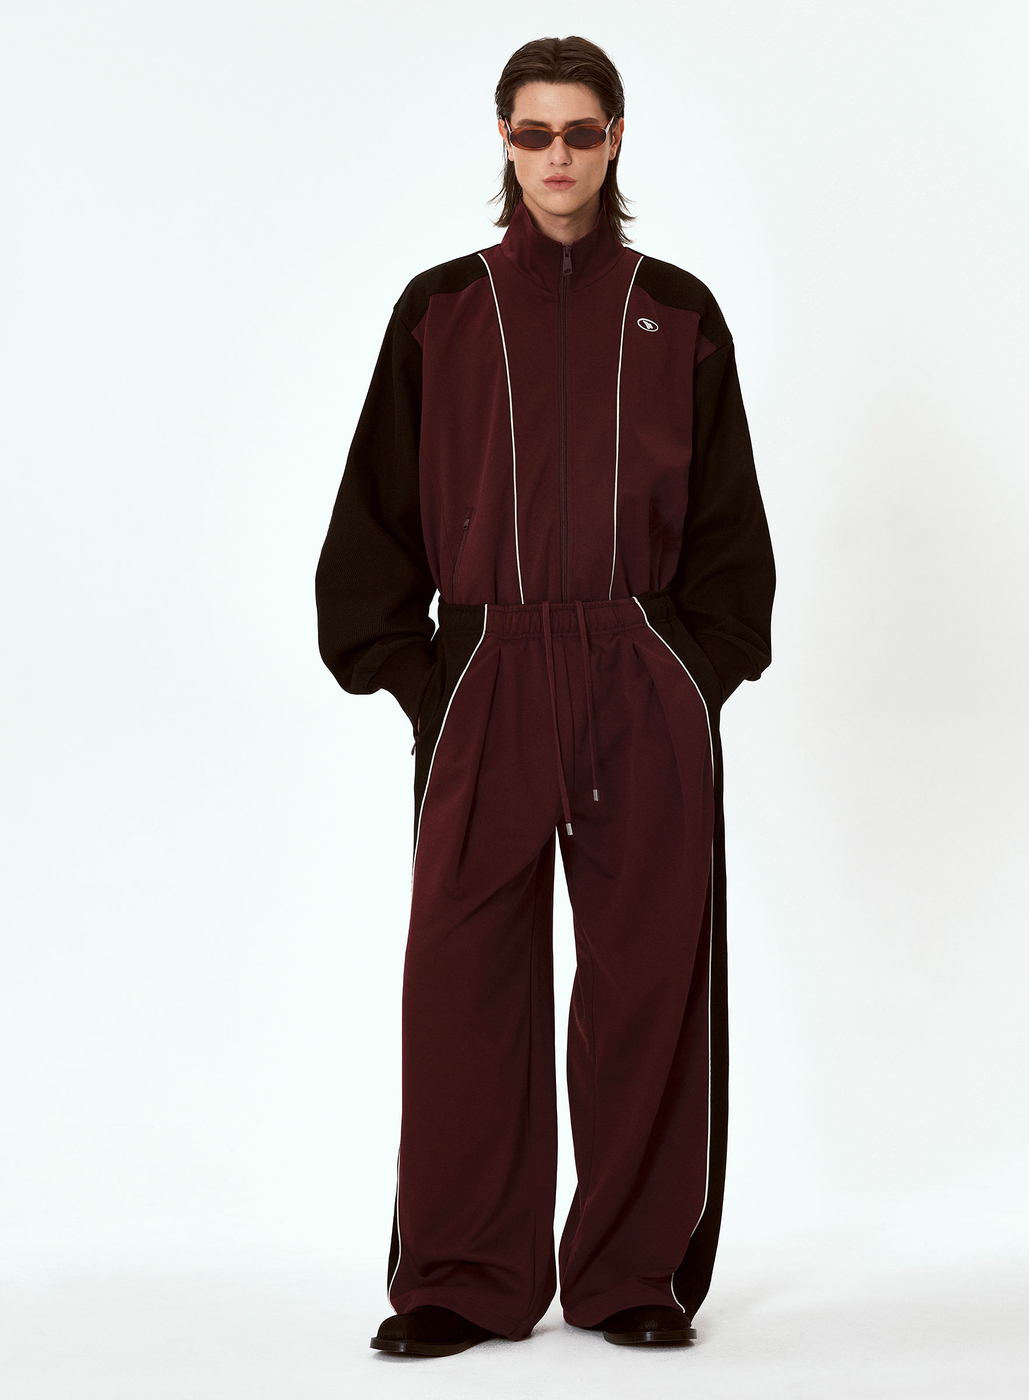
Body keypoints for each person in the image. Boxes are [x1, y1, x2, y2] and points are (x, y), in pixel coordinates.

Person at [315, 34, 775, 1358]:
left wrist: (691, 670)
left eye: (580, 131)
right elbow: (374, 516)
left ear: (616, 139)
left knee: (647, 975)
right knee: (463, 978)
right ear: (504, 143)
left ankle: (632, 1272)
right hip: (490, 670)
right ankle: (462, 1277)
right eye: (533, 133)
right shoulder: (440, 311)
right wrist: (424, 675)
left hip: (638, 670)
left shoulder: (678, 312)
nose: (557, 156)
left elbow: (730, 529)